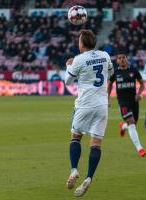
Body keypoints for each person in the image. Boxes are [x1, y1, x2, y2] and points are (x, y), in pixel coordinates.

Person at [65, 30, 114, 197]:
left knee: (75, 136)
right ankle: (89, 178)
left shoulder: (78, 59)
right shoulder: (105, 55)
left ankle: (73, 170)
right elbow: (111, 73)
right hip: (102, 105)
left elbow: (67, 81)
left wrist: (69, 66)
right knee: (96, 144)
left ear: (82, 43)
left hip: (84, 104)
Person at [107, 51, 146, 157]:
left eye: (123, 57)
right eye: (119, 58)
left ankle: (123, 126)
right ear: (117, 60)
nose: (121, 59)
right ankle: (140, 148)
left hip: (134, 101)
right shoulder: (115, 72)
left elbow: (142, 84)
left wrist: (139, 94)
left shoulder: (133, 70)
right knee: (132, 122)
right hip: (123, 101)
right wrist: (107, 98)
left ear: (126, 58)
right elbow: (110, 84)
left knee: (132, 123)